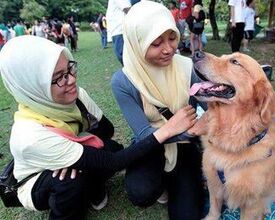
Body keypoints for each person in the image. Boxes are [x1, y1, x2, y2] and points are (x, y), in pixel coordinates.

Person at [0, 35, 197, 219]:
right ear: (33, 87)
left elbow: (106, 131)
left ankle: (92, 185)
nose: (71, 80)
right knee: (69, 181)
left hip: (70, 151)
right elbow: (112, 162)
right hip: (38, 177)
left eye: (69, 68)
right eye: (58, 77)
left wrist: (73, 150)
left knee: (111, 148)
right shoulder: (29, 137)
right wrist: (168, 129)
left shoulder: (76, 96)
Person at [111, 1, 207, 219]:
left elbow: (209, 106)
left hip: (185, 146)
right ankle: (167, 179)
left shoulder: (186, 67)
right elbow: (143, 134)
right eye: (156, 43)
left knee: (188, 214)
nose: (168, 49)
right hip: (150, 145)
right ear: (137, 44)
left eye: (172, 38)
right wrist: (187, 130)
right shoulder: (124, 81)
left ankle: (178, 179)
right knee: (141, 193)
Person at [106, 0, 131, 65]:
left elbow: (127, 8)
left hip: (120, 30)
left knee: (123, 55)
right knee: (122, 55)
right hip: (117, 30)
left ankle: (133, 72)